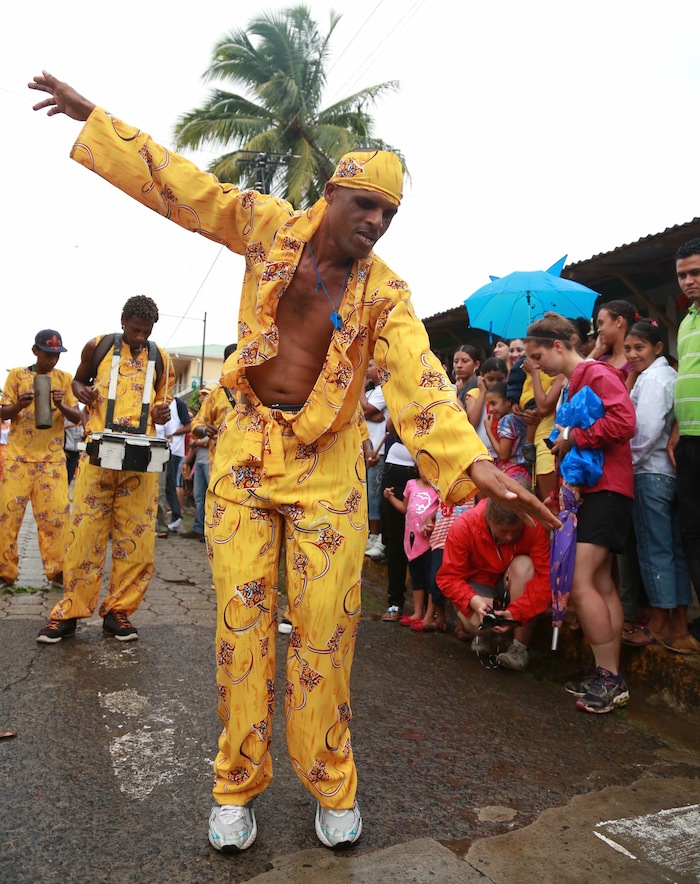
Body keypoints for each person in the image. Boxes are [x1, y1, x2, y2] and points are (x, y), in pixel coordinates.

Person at [29, 71, 557, 851]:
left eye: (390, 213)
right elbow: (186, 187)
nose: (377, 221)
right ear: (333, 196)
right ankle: (235, 786)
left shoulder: (388, 293)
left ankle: (331, 781)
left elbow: (420, 377)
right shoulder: (266, 225)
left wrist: (475, 464)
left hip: (330, 467)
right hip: (245, 451)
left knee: (325, 634)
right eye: (366, 205)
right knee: (242, 631)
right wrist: (97, 121)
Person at [36, 295, 172, 643]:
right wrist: (85, 394)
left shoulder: (162, 358)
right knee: (83, 536)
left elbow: (163, 401)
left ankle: (119, 613)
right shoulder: (98, 346)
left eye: (147, 331)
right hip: (98, 455)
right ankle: (69, 613)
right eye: (135, 329)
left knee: (137, 540)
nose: (140, 337)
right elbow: (77, 383)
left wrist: (160, 413)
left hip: (140, 460)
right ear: (123, 320)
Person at [525, 312, 636, 714]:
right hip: (593, 491)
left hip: (607, 488)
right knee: (602, 583)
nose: (535, 365)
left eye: (538, 356)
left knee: (580, 579)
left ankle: (610, 678)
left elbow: (625, 422)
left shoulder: (596, 373)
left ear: (559, 345)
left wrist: (575, 437)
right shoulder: (574, 382)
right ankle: (606, 673)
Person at [623, 321, 695, 652]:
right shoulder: (666, 376)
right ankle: (678, 625)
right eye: (628, 349)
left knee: (655, 551)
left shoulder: (654, 378)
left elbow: (646, 432)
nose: (632, 354)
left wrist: (628, 466)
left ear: (657, 348)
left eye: (639, 348)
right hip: (667, 473)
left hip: (650, 472)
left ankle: (657, 626)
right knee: (673, 550)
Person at [0, 330, 80, 589]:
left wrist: (61, 405)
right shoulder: (17, 375)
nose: (53, 359)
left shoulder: (65, 380)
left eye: (57, 354)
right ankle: (5, 572)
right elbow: (3, 411)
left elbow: (77, 417)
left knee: (56, 518)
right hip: (18, 459)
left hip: (52, 461)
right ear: (35, 351)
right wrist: (19, 406)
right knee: (7, 518)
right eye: (48, 354)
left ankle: (58, 571)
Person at [437, 496, 551, 670]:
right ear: (489, 520)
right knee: (478, 623)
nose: (509, 536)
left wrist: (516, 612)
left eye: (516, 531)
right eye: (503, 530)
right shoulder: (465, 525)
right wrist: (472, 600)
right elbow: (448, 577)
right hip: (478, 586)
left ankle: (519, 647)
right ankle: (480, 632)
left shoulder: (533, 526)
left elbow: (545, 580)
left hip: (511, 583)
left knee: (525, 566)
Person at [667, 238, 700, 645]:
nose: (689, 281)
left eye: (695, 273)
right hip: (688, 442)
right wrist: (677, 429)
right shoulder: (688, 321)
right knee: (691, 531)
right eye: (682, 275)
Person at [383, 466, 439, 630]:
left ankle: (430, 613)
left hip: (429, 541)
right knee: (417, 576)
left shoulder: (439, 489)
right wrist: (390, 497)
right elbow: (404, 508)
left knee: (430, 577)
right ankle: (417, 612)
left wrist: (431, 520)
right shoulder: (410, 484)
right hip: (412, 539)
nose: (427, 472)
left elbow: (442, 509)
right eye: (424, 467)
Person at [360, 358, 388, 561]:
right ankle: (369, 534)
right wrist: (366, 413)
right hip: (364, 450)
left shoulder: (384, 390)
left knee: (374, 495)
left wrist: (360, 388)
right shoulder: (371, 392)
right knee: (366, 495)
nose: (367, 370)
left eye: (370, 365)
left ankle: (376, 536)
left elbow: (366, 409)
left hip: (379, 451)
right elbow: (357, 410)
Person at [181, 385, 214, 540]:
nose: (202, 397)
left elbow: (215, 437)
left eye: (205, 395)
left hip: (211, 461)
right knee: (199, 497)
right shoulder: (200, 420)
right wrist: (186, 462)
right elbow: (194, 442)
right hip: (200, 462)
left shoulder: (216, 413)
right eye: (201, 395)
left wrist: (198, 443)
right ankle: (198, 528)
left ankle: (209, 532)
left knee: (211, 497)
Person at [483, 382, 530, 483]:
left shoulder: (506, 420)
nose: (490, 409)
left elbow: (504, 455)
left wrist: (488, 430)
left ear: (508, 402)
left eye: (494, 403)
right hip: (525, 473)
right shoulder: (522, 417)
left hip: (511, 474)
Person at [465, 357, 508, 459]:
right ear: (481, 377)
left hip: (502, 452)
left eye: (500, 379)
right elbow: (473, 421)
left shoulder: (508, 395)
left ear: (506, 377)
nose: (495, 384)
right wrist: (483, 392)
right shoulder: (475, 394)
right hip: (481, 454)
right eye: (490, 379)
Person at [164, 396, 192, 532]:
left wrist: (172, 432)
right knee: (165, 483)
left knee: (170, 483)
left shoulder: (178, 404)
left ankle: (176, 516)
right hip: (159, 447)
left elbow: (189, 426)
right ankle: (172, 516)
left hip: (173, 449)